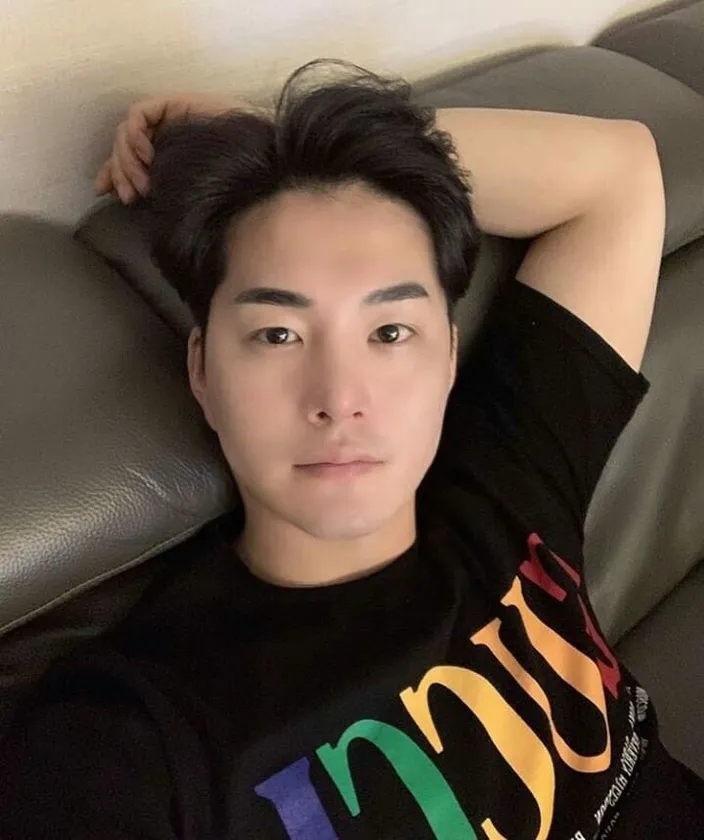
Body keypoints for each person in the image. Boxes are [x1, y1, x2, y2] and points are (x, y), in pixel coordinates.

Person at [0, 56, 701, 839]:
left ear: (447, 357)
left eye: (390, 331)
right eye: (277, 334)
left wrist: (279, 143)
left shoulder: (506, 476)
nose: (338, 398)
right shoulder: (127, 741)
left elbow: (621, 174)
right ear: (201, 371)